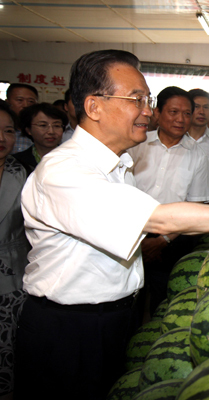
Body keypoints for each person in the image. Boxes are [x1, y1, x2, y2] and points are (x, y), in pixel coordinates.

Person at [14, 49, 209, 400]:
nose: (148, 110)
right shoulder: (65, 170)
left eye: (148, 99)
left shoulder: (117, 164)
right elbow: (160, 217)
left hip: (111, 319)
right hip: (69, 328)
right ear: (94, 106)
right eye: (136, 99)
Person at [127, 86, 209, 313]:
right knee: (127, 302)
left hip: (173, 241)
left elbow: (195, 205)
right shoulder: (136, 144)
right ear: (157, 113)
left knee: (162, 304)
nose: (181, 119)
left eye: (187, 114)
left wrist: (163, 239)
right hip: (128, 234)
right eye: (173, 112)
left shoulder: (198, 155)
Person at [0, 103, 30, 399]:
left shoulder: (20, 172)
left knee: (9, 356)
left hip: (13, 283)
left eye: (8, 130)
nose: (2, 137)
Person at [13, 103, 67, 175]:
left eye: (57, 125)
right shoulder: (17, 161)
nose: (51, 131)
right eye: (43, 125)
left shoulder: (74, 157)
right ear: (28, 130)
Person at [6, 83, 38, 154]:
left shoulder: (40, 130)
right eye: (20, 100)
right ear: (7, 103)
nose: (25, 105)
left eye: (31, 101)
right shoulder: (3, 130)